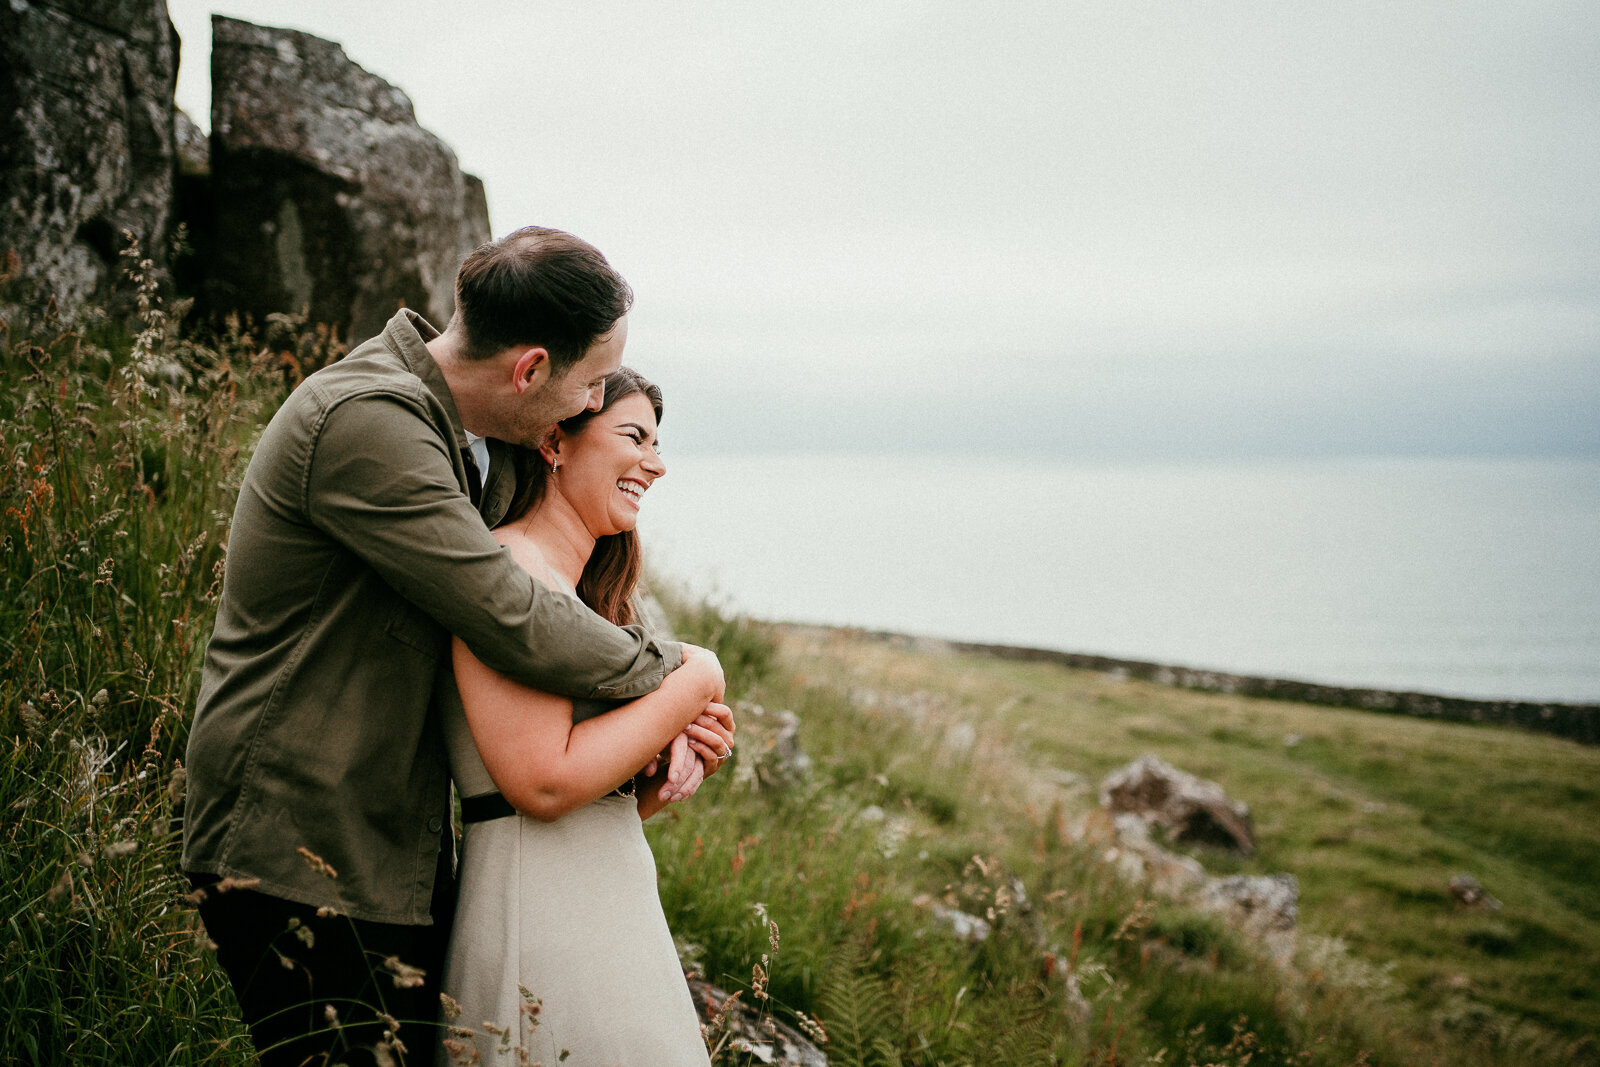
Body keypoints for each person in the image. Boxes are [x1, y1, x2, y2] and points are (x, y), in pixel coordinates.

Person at [181, 227, 728, 1067]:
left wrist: (663, 729)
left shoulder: (484, 446)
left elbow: (554, 567)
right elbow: (509, 611)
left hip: (391, 844)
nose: (587, 406)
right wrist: (681, 676)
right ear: (530, 370)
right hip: (294, 839)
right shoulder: (367, 422)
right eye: (585, 385)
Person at [437, 367, 724, 1067]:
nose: (656, 464)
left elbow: (585, 798)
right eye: (635, 436)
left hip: (612, 910)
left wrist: (656, 776)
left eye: (658, 444)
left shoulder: (596, 602)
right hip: (541, 917)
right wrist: (700, 676)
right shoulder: (510, 568)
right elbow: (540, 783)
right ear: (554, 440)